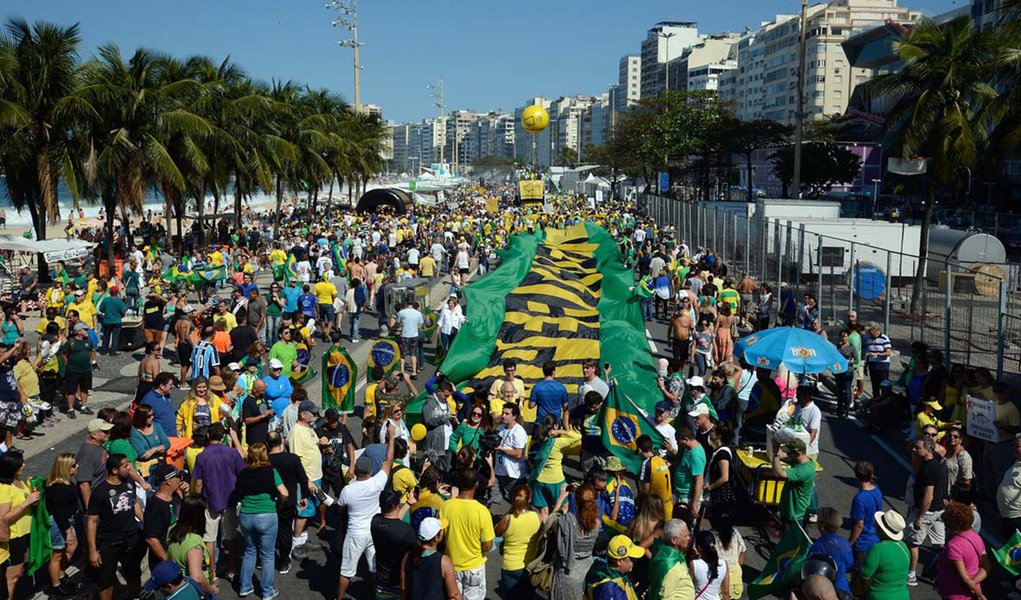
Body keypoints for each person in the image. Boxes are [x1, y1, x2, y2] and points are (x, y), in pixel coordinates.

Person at [336, 422, 397, 600]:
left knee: (346, 570)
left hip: (355, 533)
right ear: (371, 471)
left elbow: (340, 508)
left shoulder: (348, 490)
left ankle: (338, 598)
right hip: (374, 531)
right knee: (374, 567)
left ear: (356, 472)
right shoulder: (377, 483)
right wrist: (391, 438)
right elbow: (388, 461)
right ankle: (375, 595)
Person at [86, 454, 145, 600]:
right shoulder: (100, 492)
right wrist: (93, 550)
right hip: (109, 541)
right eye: (125, 466)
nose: (129, 468)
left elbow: (134, 502)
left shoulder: (129, 482)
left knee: (133, 574)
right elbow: (91, 522)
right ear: (114, 470)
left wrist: (145, 521)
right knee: (106, 581)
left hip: (131, 538)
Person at [191, 422, 245, 579]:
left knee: (209, 539)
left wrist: (197, 501)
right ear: (223, 436)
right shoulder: (232, 454)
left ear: (208, 436)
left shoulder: (202, 456)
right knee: (230, 537)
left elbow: (199, 483)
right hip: (230, 500)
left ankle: (212, 572)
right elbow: (242, 474)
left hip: (210, 501)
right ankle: (233, 568)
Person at [235, 442, 288, 600]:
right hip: (267, 515)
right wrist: (278, 503)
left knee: (250, 551)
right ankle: (267, 590)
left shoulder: (243, 473)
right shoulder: (271, 471)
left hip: (246, 515)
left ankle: (244, 586)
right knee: (267, 554)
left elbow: (238, 493)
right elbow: (285, 493)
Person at [440, 466, 496, 600]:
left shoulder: (446, 506)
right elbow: (488, 545)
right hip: (474, 566)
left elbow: (440, 536)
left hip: (452, 565)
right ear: (476, 484)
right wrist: (478, 549)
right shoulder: (482, 511)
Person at [546, 483, 600, 600]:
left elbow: (549, 523)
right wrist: (584, 491)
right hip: (585, 571)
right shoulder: (596, 523)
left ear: (575, 502)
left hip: (566, 574)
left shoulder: (566, 523)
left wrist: (560, 500)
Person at [906, 436, 947, 586]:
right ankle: (941, 577)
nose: (914, 450)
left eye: (918, 447)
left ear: (928, 449)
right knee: (939, 545)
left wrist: (919, 517)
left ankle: (911, 575)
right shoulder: (938, 466)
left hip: (927, 513)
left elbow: (928, 496)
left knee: (912, 543)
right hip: (938, 512)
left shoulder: (928, 469)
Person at [0, 451, 39, 599]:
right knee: (12, 575)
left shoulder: (19, 481)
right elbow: (3, 519)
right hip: (14, 536)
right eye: (20, 463)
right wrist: (25, 504)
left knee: (19, 570)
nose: (24, 465)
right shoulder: (4, 489)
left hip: (25, 532)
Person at [166, 494, 219, 597]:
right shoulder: (194, 543)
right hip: (196, 593)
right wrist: (211, 589)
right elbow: (197, 578)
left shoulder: (173, 530)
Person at [494, 485, 541, 599]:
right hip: (530, 565)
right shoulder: (537, 517)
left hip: (510, 566)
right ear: (529, 500)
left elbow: (496, 533)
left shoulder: (508, 519)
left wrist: (511, 510)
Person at [44, 453, 81, 598]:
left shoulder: (66, 483)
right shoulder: (58, 488)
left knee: (71, 547)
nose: (77, 466)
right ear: (65, 468)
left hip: (67, 521)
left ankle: (60, 575)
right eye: (73, 465)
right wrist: (68, 532)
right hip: (59, 523)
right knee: (57, 554)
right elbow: (60, 513)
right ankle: (56, 586)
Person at [936, 501, 989, 600]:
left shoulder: (954, 545)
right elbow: (986, 567)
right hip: (973, 591)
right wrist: (975, 586)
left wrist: (979, 595)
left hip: (955, 594)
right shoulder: (976, 537)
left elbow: (965, 579)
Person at [400, 516, 462, 600]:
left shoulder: (407, 556)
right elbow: (453, 595)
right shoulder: (444, 562)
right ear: (436, 538)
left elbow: (403, 589)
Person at [371, 488, 416, 599]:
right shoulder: (406, 531)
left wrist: (409, 503)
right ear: (395, 505)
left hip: (381, 581)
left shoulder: (375, 522)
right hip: (400, 582)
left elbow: (393, 520)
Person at [860, 509, 911, 600]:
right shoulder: (903, 546)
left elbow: (865, 575)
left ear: (881, 529)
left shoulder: (877, 549)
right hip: (903, 596)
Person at [143, 463, 185, 570]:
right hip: (162, 564)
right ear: (169, 481)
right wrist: (168, 562)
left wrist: (187, 493)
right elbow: (152, 539)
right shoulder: (155, 506)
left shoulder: (174, 497)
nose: (181, 479)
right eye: (178, 477)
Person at [583, 534, 644, 599]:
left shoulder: (618, 575)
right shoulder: (609, 589)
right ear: (619, 561)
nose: (635, 561)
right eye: (632, 559)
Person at [809, 507, 854, 595]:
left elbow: (812, 569)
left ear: (822, 525)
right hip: (843, 588)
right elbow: (849, 565)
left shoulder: (818, 545)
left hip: (826, 589)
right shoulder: (844, 542)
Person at [771, 437, 816, 525]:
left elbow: (779, 473)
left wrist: (775, 455)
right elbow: (784, 456)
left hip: (795, 515)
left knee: (791, 537)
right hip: (794, 512)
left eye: (789, 453)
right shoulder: (806, 462)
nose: (787, 454)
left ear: (797, 454)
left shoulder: (802, 471)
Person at [648, 518, 695, 600]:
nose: (689, 538)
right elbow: (665, 596)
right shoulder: (671, 566)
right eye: (685, 535)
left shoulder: (673, 555)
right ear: (673, 540)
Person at [848, 460, 884, 565]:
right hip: (875, 538)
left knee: (858, 572)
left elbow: (859, 525)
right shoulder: (877, 491)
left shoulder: (860, 498)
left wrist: (849, 543)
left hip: (863, 542)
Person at [494, 402, 528, 501]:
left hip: (513, 474)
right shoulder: (500, 428)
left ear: (514, 416)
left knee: (515, 502)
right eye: (503, 413)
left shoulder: (519, 432)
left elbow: (518, 454)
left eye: (507, 414)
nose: (503, 416)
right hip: (499, 471)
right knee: (495, 499)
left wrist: (501, 449)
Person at [672, 425, 705, 525]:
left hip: (687, 497)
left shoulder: (695, 455)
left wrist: (694, 504)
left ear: (686, 439)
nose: (677, 443)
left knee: (683, 526)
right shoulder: (688, 449)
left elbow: (699, 480)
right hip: (682, 495)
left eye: (678, 441)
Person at [638, 434, 673, 520]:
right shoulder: (661, 460)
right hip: (668, 505)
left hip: (655, 509)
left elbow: (646, 490)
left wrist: (637, 500)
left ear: (639, 450)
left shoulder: (647, 464)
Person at [690, 529, 729, 600]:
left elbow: (688, 588)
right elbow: (725, 593)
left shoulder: (694, 564)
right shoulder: (724, 564)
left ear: (698, 547)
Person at [529, 361, 570, 426]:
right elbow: (565, 406)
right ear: (553, 371)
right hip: (555, 424)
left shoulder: (537, 387)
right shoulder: (561, 387)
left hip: (541, 423)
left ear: (543, 371)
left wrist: (539, 400)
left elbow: (531, 405)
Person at [142, 373, 178, 437]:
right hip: (161, 439)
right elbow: (144, 423)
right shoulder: (148, 400)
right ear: (162, 386)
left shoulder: (166, 395)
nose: (173, 386)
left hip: (173, 436)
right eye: (170, 385)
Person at [395, 298, 424, 376]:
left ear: (406, 303)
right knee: (413, 354)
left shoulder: (402, 312)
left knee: (403, 354)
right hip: (414, 335)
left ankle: (402, 371)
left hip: (405, 335)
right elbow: (420, 324)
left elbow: (398, 323)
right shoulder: (418, 313)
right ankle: (414, 371)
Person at [863, 322, 892, 398]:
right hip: (873, 366)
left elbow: (888, 353)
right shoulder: (869, 340)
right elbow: (869, 354)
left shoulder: (884, 338)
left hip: (882, 366)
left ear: (875, 330)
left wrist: (877, 354)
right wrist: (865, 366)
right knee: (875, 387)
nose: (869, 333)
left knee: (884, 386)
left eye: (870, 331)